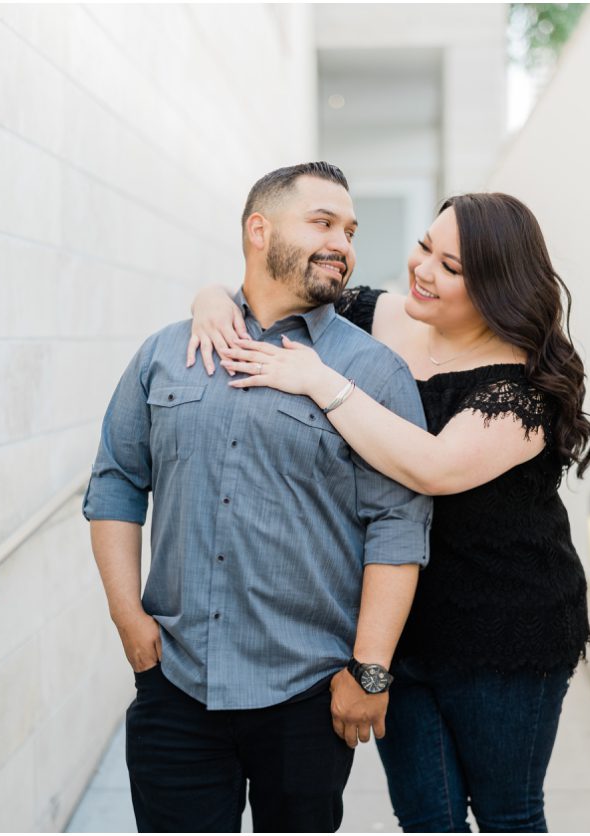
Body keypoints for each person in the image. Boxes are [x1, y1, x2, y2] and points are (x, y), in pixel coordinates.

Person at [189, 192, 590, 833]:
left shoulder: (525, 390)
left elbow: (431, 467)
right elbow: (270, 285)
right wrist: (211, 300)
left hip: (506, 629)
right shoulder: (377, 315)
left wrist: (321, 382)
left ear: (497, 285)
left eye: (452, 267)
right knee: (425, 816)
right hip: (396, 623)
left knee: (508, 813)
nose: (423, 270)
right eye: (425, 246)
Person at [82, 161, 432, 833]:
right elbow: (117, 480)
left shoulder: (370, 372)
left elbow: (397, 522)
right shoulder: (166, 353)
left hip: (306, 693)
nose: (343, 244)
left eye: (350, 231)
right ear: (258, 229)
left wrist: (370, 671)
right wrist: (129, 619)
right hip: (176, 683)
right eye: (323, 223)